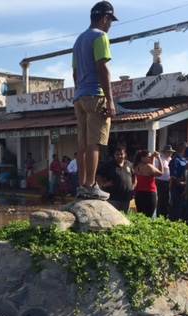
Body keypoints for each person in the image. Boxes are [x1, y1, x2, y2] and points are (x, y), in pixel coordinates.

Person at [72, 1, 118, 200]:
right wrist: (110, 100)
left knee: (82, 144)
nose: (110, 25)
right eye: (110, 21)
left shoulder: (79, 40)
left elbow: (74, 72)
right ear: (104, 18)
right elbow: (102, 68)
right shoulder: (101, 36)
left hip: (80, 97)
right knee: (95, 143)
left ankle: (82, 184)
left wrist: (79, 91)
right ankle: (91, 185)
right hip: (95, 94)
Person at [97, 147, 135, 213]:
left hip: (126, 198)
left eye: (121, 154)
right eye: (117, 154)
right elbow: (98, 175)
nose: (119, 156)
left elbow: (134, 177)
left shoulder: (129, 164)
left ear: (125, 154)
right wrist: (103, 184)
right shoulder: (108, 165)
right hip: (113, 198)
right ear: (114, 155)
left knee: (125, 218)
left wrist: (133, 187)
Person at [133, 150, 162, 217]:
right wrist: (159, 158)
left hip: (139, 193)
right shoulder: (148, 167)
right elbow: (161, 173)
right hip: (149, 193)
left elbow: (151, 168)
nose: (149, 158)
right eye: (148, 157)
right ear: (142, 158)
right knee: (149, 215)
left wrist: (152, 157)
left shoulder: (136, 166)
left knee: (140, 215)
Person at [169, 142, 188, 220]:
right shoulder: (175, 160)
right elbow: (173, 176)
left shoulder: (186, 159)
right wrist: (181, 183)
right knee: (176, 209)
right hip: (177, 189)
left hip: (186, 189)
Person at [155, 145, 173, 216]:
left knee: (167, 200)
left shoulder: (170, 159)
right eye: (168, 152)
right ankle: (159, 215)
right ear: (165, 152)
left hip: (168, 182)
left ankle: (165, 214)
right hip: (160, 182)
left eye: (171, 152)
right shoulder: (160, 159)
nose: (170, 153)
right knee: (161, 200)